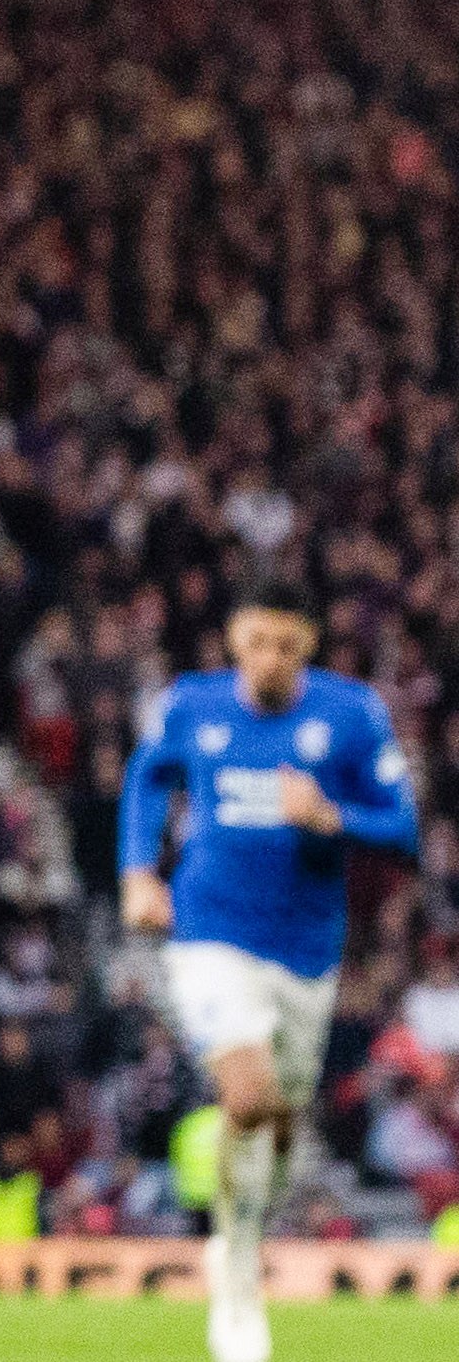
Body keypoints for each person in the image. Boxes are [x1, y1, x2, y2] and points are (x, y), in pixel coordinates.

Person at [120, 579, 419, 1362]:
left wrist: (333, 819)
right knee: (246, 1098)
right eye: (256, 642)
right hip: (210, 931)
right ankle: (239, 1283)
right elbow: (147, 779)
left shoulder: (351, 715)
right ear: (233, 639)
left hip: (308, 952)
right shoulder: (193, 704)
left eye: (287, 645)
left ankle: (240, 1242)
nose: (270, 660)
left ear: (309, 647)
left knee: (281, 1126)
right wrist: (137, 872)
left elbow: (405, 827)